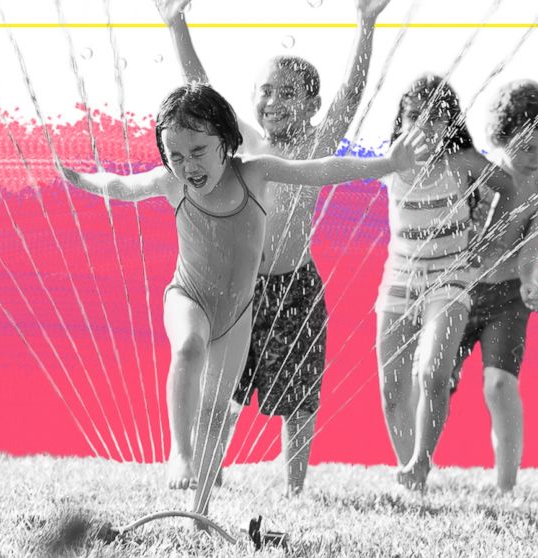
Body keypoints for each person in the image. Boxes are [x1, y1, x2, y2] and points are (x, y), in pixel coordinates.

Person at [58, 82, 425, 524]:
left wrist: (389, 163)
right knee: (189, 347)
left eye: (198, 151)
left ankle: (199, 511)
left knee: (216, 408)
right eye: (175, 156)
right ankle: (180, 450)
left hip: (236, 313)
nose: (187, 166)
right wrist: (82, 179)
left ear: (226, 141)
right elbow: (121, 186)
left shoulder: (254, 172)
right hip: (187, 295)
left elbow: (324, 169)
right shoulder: (170, 183)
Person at [157, 0, 393, 496]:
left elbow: (351, 97)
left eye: (290, 93)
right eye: (266, 91)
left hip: (295, 286)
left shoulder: (315, 144)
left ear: (311, 104)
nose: (275, 101)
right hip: (234, 288)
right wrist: (177, 24)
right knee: (221, 391)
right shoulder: (242, 145)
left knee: (300, 396)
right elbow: (201, 90)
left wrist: (365, 25)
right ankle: (207, 469)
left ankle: (294, 490)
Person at [376, 74, 511, 490]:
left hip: (450, 277)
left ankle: (421, 461)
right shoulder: (391, 162)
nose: (425, 127)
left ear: (451, 124)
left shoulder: (462, 162)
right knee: (391, 386)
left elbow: (508, 188)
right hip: (399, 277)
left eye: (437, 117)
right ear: (400, 122)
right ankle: (409, 474)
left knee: (433, 375)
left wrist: (488, 240)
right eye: (415, 116)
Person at [452, 79, 538, 492]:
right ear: (502, 136)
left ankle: (506, 487)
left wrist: (532, 282)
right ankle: (418, 470)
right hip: (459, 290)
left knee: (500, 384)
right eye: (528, 147)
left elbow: (533, 248)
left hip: (506, 297)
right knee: (438, 380)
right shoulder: (478, 175)